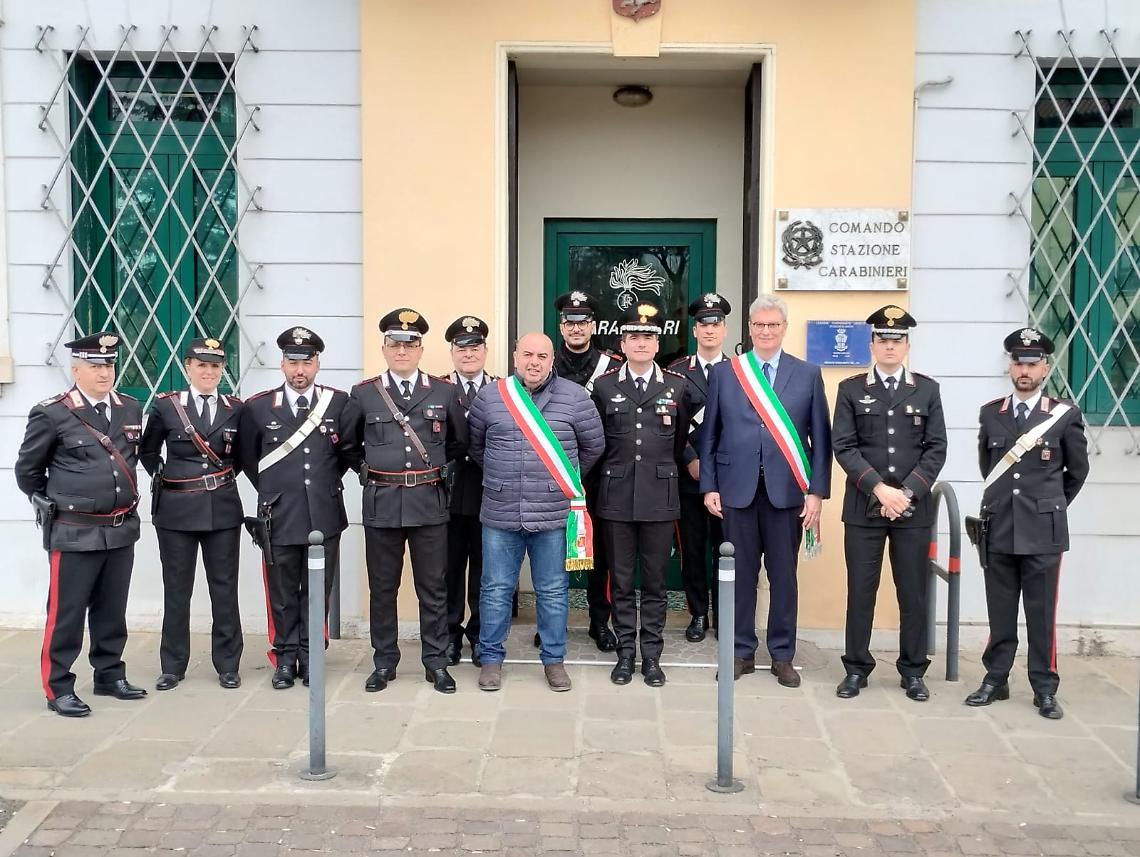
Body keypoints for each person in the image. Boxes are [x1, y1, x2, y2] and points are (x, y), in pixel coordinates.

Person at [699, 295, 832, 686]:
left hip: (787, 493)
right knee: (739, 577)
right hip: (736, 490)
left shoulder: (807, 374)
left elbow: (820, 441)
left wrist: (816, 493)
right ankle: (740, 651)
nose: (766, 331)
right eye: (759, 325)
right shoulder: (727, 373)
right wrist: (709, 485)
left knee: (783, 577)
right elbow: (710, 435)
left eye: (773, 325)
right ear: (750, 328)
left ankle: (781, 654)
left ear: (784, 328)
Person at [15, 331, 148, 717]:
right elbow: (28, 472)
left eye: (108, 365)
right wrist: (56, 502)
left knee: (112, 609)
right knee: (67, 612)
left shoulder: (130, 408)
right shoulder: (53, 412)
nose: (104, 373)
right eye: (94, 366)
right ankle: (58, 686)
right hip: (74, 530)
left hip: (120, 528)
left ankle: (109, 674)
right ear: (76, 369)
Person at [468, 332, 604, 692]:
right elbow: (476, 447)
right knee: (495, 589)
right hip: (500, 511)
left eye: (542, 356)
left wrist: (556, 483)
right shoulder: (490, 397)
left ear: (552, 359)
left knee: (553, 590)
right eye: (527, 354)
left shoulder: (575, 398)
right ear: (514, 357)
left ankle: (554, 660)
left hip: (553, 514)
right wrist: (504, 478)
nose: (534, 362)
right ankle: (491, 659)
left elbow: (593, 448)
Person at [965, 328, 1088, 720]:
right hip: (999, 526)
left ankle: (1045, 687)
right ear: (1010, 366)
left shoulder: (1064, 415)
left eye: (1032, 363)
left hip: (1043, 531)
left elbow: (1076, 473)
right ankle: (995, 678)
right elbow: (990, 467)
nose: (1024, 370)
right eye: (1018, 362)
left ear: (1045, 368)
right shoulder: (991, 413)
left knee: (1040, 613)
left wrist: (1049, 507)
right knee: (999, 610)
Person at [831, 306, 947, 701]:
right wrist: (880, 489)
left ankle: (913, 670)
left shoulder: (927, 390)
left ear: (907, 345)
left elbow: (936, 449)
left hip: (913, 509)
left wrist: (907, 492)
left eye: (897, 340)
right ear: (873, 345)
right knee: (861, 591)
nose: (890, 346)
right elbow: (844, 446)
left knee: (912, 592)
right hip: (865, 506)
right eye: (883, 339)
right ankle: (856, 669)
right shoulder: (851, 389)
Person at [236, 327, 362, 690]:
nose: (300, 370)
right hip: (278, 515)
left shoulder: (339, 405)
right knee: (282, 591)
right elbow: (249, 459)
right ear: (282, 364)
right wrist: (277, 491)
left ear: (318, 364)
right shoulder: (259, 407)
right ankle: (285, 658)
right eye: (293, 362)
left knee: (317, 591)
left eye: (307, 361)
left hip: (324, 513)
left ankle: (311, 657)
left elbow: (346, 454)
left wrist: (319, 487)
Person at [351, 308, 468, 695]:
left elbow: (458, 443)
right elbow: (351, 447)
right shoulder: (364, 393)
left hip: (427, 502)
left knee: (432, 587)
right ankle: (384, 661)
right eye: (395, 344)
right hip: (382, 501)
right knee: (382, 588)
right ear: (384, 348)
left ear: (421, 349)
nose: (403, 350)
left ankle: (436, 662)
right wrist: (374, 474)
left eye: (410, 344)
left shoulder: (444, 391)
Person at [140, 337, 246, 691]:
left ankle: (228, 664)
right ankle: (172, 665)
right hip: (177, 512)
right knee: (177, 590)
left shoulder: (236, 407)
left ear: (222, 370)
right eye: (202, 365)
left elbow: (242, 457)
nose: (209, 372)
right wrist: (172, 481)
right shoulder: (167, 406)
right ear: (188, 367)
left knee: (225, 589)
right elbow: (149, 451)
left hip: (222, 510)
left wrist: (217, 482)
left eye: (215, 366)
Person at [591, 302, 689, 687]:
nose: (641, 342)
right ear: (623, 341)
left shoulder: (677, 386)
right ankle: (625, 654)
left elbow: (679, 443)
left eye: (648, 336)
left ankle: (651, 656)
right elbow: (595, 442)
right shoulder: (604, 386)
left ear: (657, 341)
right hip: (615, 496)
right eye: (634, 336)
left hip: (660, 496)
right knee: (621, 581)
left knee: (654, 583)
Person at [552, 290, 621, 652]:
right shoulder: (545, 365)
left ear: (593, 326)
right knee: (552, 550)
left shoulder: (612, 367)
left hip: (599, 475)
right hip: (554, 475)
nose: (576, 328)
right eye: (570, 322)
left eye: (582, 322)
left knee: (602, 552)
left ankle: (600, 620)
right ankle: (553, 621)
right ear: (561, 327)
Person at [668, 293, 732, 643]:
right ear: (695, 330)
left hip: (728, 479)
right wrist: (690, 459)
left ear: (724, 329)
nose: (710, 330)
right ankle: (697, 614)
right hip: (690, 480)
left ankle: (726, 615)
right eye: (704, 324)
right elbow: (670, 426)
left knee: (728, 549)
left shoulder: (739, 371)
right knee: (693, 551)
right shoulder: (677, 372)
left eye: (716, 324)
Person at [442, 315, 498, 668]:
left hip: (489, 496)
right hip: (445, 497)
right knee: (447, 572)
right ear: (452, 351)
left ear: (485, 351)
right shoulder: (437, 388)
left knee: (485, 572)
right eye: (462, 347)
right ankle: (448, 636)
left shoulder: (502, 389)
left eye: (475, 347)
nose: (469, 353)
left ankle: (479, 635)